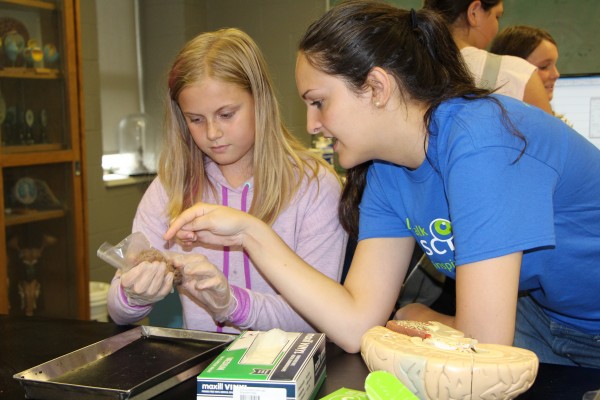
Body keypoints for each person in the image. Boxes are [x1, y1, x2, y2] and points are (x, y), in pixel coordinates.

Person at [164, 1, 600, 368]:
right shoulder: (388, 169)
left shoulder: (481, 139)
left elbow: (483, 342)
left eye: (319, 102)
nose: (313, 124)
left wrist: (426, 316)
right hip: (543, 320)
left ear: (376, 87)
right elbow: (355, 324)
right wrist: (251, 233)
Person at [107, 28, 347, 334]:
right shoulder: (170, 188)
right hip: (206, 369)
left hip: (291, 370)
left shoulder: (314, 186)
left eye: (226, 114)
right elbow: (118, 310)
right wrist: (134, 295)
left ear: (260, 101)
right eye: (196, 119)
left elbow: (319, 318)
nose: (212, 133)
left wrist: (231, 303)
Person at [423, 0, 552, 114]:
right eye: (497, 16)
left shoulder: (408, 71)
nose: (497, 26)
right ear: (474, 12)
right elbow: (551, 140)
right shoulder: (517, 74)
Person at [490, 25, 571, 124]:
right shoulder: (492, 125)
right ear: (511, 71)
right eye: (544, 67)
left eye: (555, 65)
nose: (556, 74)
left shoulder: (560, 124)